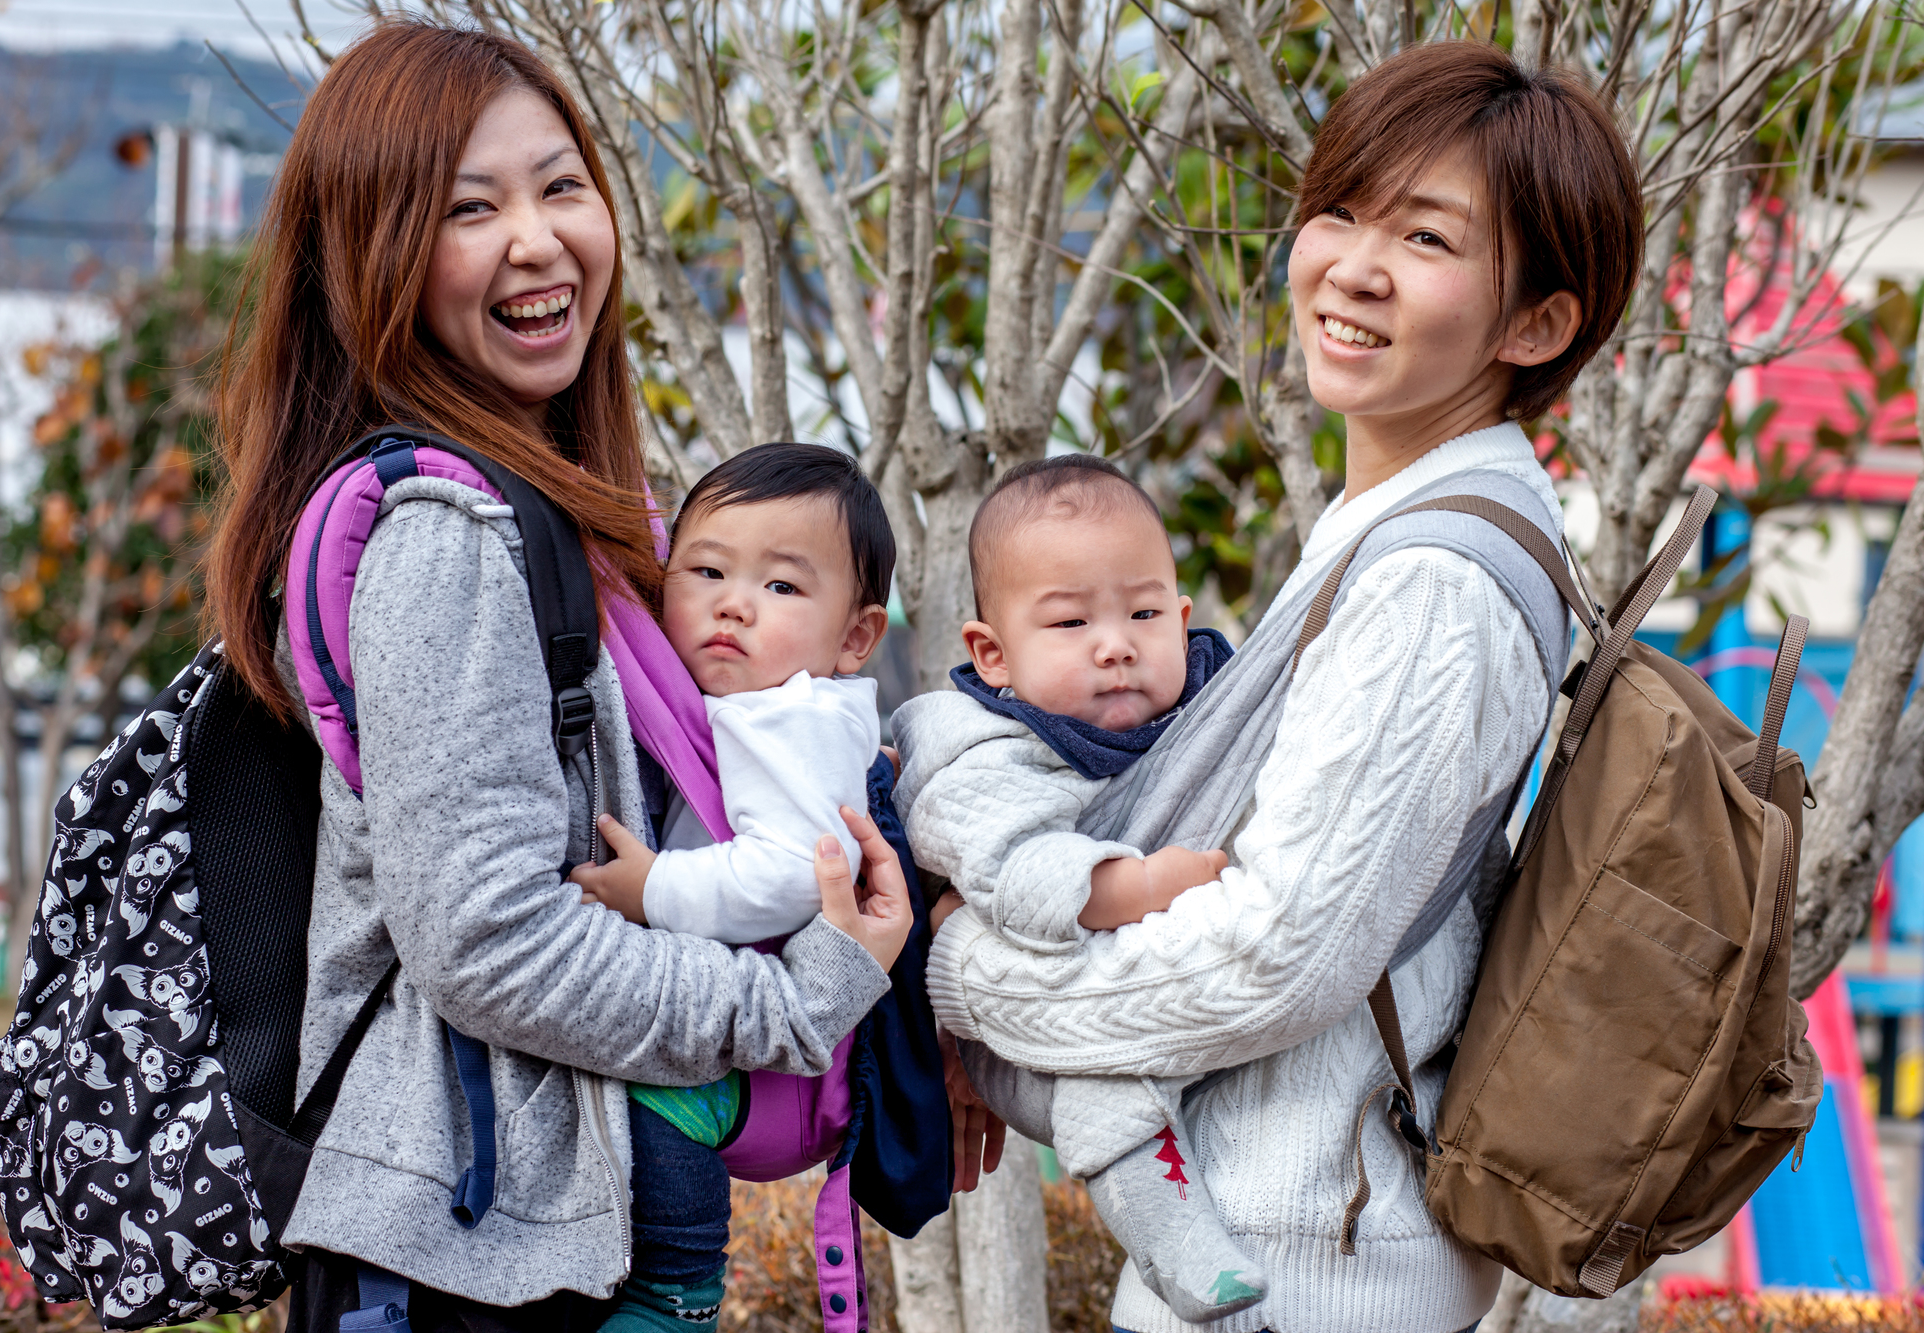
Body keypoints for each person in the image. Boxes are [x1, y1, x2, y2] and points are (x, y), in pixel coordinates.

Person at [204, 23, 910, 1331]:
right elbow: (490, 941)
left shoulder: (596, 519)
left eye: (560, 184)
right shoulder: (448, 538)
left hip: (520, 1243)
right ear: (376, 259)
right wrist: (808, 999)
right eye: (471, 209)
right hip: (469, 1257)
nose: (538, 240)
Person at [928, 41, 1643, 1333]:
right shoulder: (1397, 524)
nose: (1351, 265)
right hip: (1287, 1250)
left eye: (1427, 239)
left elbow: (1274, 955)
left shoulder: (1434, 580)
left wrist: (965, 986)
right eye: (1342, 211)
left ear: (1536, 322)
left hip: (1305, 1265)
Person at [890, 455, 1257, 1323]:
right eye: (1070, 622)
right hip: (1027, 1044)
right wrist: (1140, 883)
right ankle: (1181, 1252)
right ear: (993, 653)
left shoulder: (1217, 707)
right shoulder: (979, 752)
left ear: (1181, 615)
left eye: (1142, 611)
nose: (1115, 642)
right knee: (1109, 1086)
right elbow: (1017, 870)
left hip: (1172, 1019)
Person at [569, 442, 895, 1324]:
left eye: (782, 587)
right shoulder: (746, 704)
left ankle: (679, 1291)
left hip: (770, 1070)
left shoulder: (790, 711)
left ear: (856, 636)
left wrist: (655, 890)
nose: (733, 603)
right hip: (760, 1046)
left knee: (657, 1097)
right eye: (705, 569)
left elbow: (797, 871)